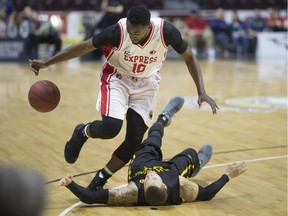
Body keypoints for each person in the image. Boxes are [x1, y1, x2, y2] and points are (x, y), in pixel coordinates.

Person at [29, 6, 219, 191]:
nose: (132, 35)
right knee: (111, 128)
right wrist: (47, 62)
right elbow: (84, 47)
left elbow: (189, 57)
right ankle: (82, 132)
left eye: (136, 32)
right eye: (130, 30)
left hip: (147, 83)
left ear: (148, 27)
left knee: (134, 140)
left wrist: (201, 90)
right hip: (117, 78)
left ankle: (100, 179)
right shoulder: (117, 32)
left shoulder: (166, 32)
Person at [58, 96, 247, 206]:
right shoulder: (180, 187)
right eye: (152, 178)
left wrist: (70, 185)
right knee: (191, 154)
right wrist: (227, 176)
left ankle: (165, 120)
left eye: (147, 180)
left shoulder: (132, 192)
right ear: (165, 185)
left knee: (151, 138)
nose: (149, 176)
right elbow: (207, 193)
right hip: (171, 171)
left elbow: (90, 198)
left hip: (141, 165)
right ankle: (194, 161)